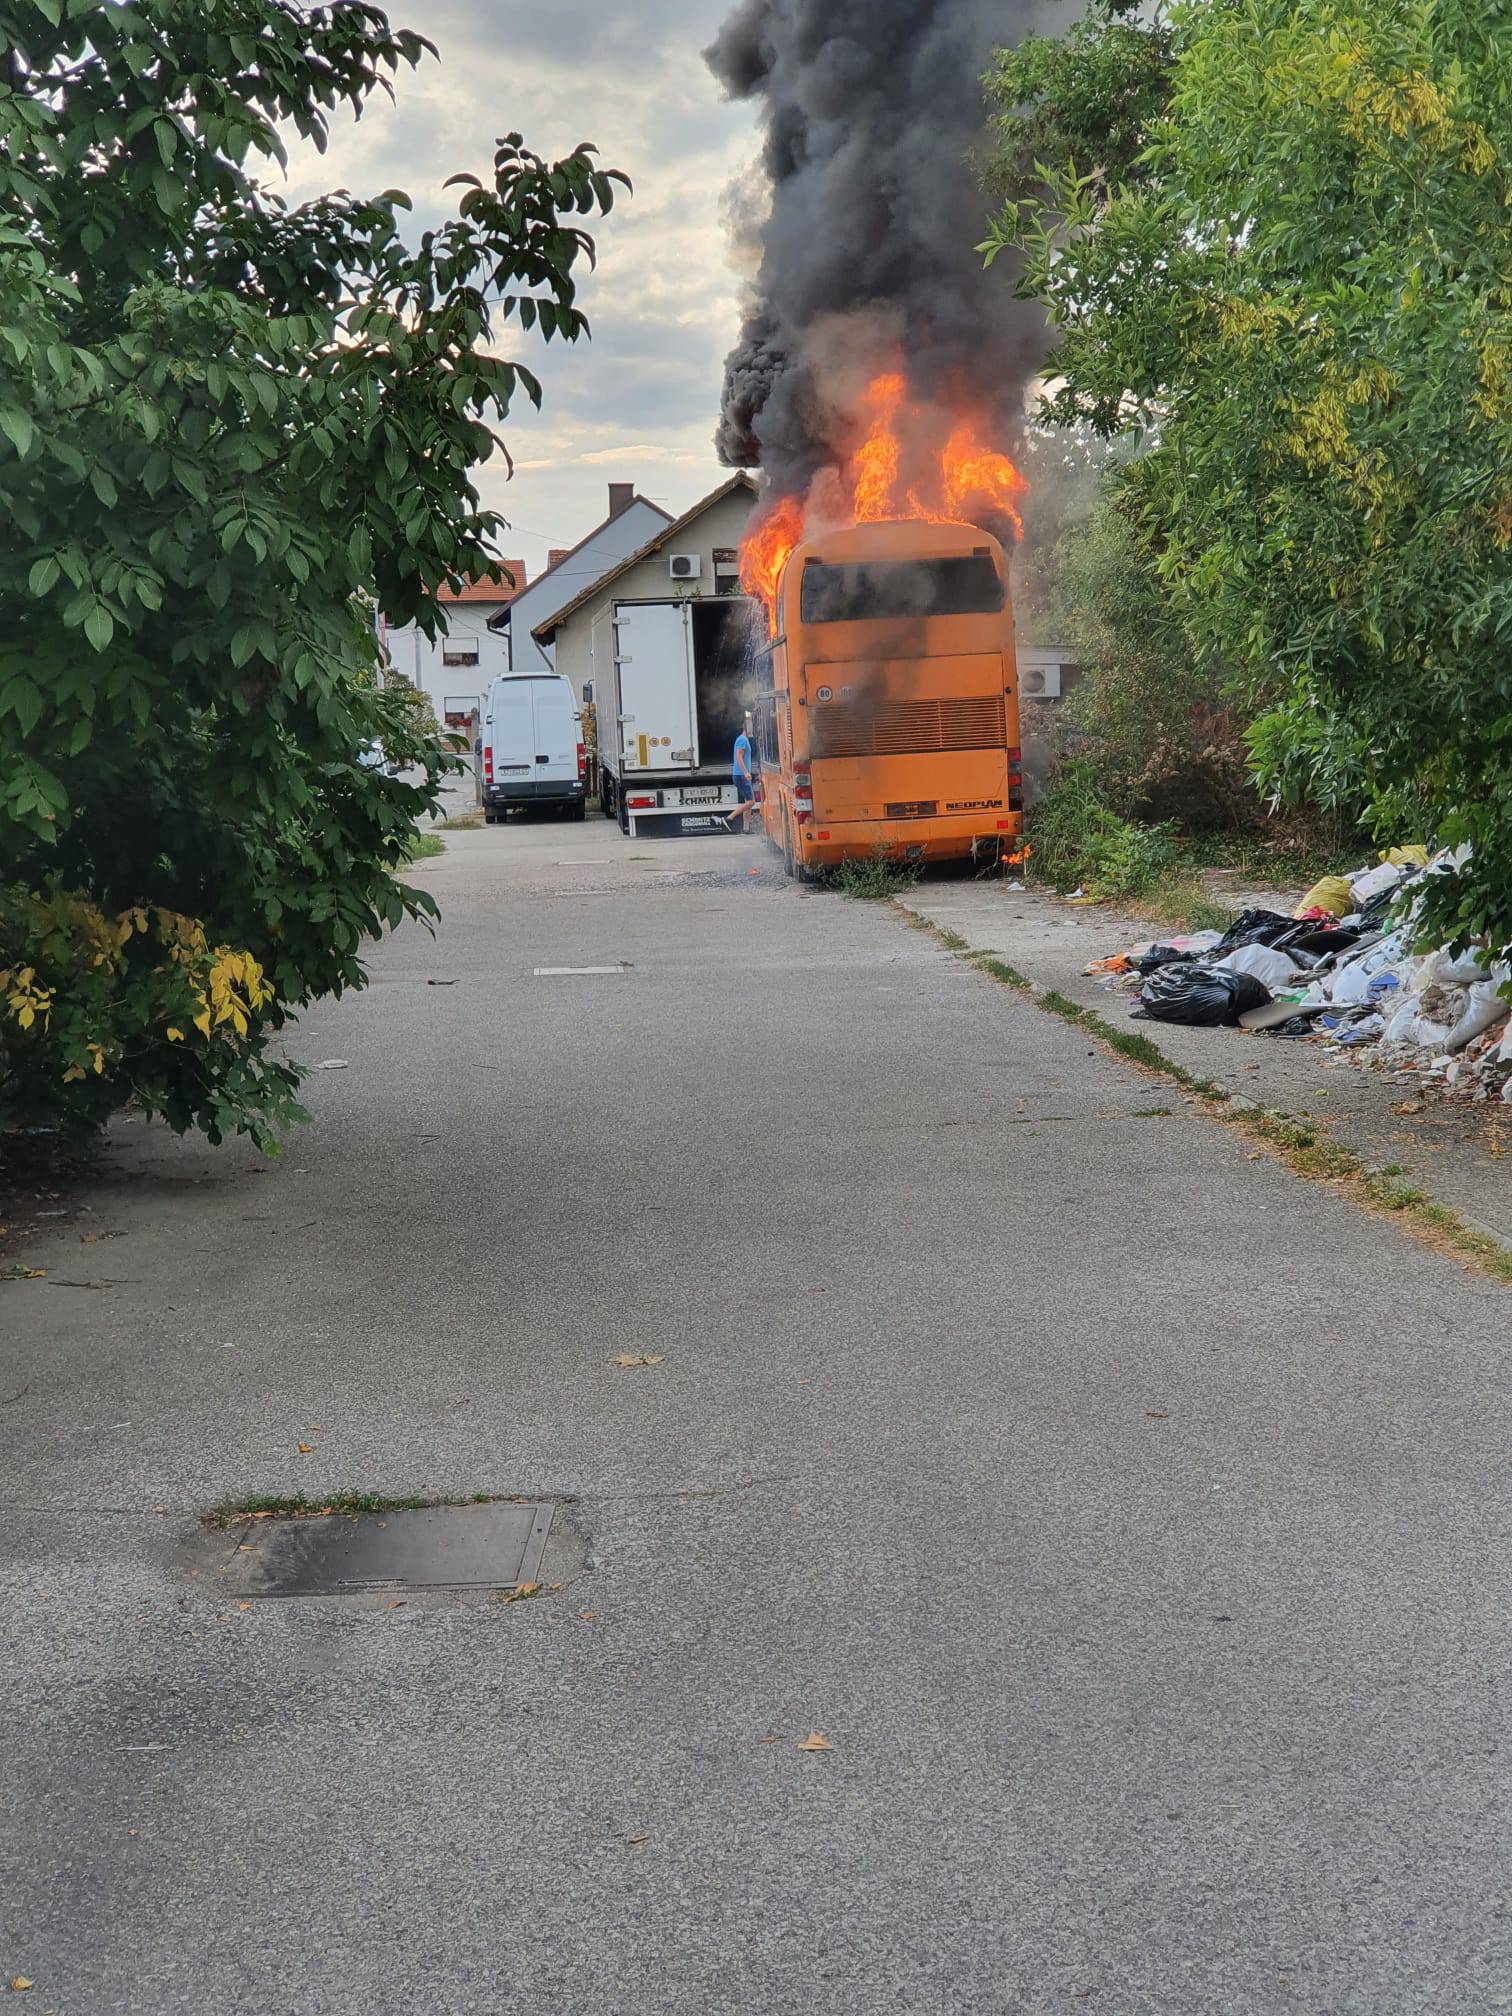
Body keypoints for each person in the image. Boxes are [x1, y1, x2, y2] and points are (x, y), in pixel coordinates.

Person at [727, 713, 757, 830]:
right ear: (746, 727)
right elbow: (738, 757)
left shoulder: (744, 740)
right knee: (751, 802)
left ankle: (746, 828)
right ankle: (730, 817)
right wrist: (746, 772)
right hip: (741, 775)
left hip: (741, 775)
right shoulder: (742, 740)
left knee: (747, 802)